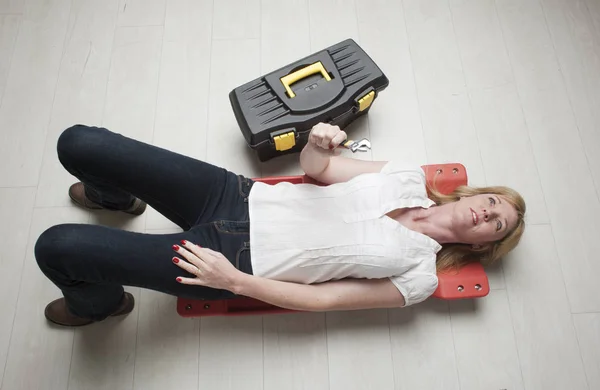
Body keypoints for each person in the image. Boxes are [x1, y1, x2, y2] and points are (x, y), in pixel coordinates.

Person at [34, 123, 526, 327]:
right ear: (473, 194)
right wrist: (319, 142)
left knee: (57, 246)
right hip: (236, 194)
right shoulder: (406, 177)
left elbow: (326, 299)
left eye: (497, 224)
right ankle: (113, 198)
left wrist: (234, 282)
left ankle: (100, 304)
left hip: (233, 261)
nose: (487, 213)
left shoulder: (419, 274)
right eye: (491, 201)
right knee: (79, 143)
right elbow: (320, 171)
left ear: (486, 245)